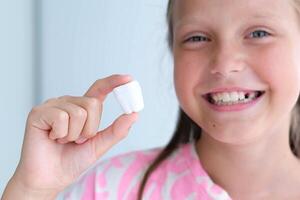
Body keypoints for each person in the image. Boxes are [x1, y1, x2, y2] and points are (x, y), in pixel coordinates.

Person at [3, 0, 300, 199]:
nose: (224, 63)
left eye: (259, 33)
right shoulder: (112, 189)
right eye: (196, 38)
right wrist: (32, 188)